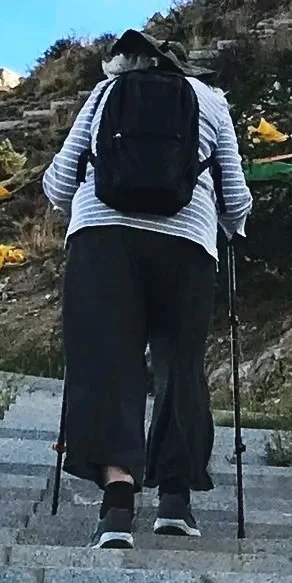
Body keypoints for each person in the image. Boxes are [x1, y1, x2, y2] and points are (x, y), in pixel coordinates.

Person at [43, 32, 251, 549]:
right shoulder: (210, 100)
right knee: (180, 363)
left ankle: (117, 508)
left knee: (111, 366)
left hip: (102, 241)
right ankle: (175, 501)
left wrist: (83, 214)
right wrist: (223, 226)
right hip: (187, 246)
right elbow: (237, 195)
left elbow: (59, 179)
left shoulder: (104, 93)